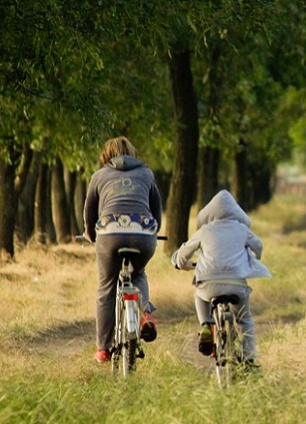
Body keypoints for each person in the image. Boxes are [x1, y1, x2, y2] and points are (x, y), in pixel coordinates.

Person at [83, 136, 162, 364]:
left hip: (109, 233)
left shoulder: (99, 176)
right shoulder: (147, 174)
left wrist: (91, 235)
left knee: (106, 287)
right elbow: (156, 209)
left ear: (107, 155)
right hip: (143, 233)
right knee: (138, 273)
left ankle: (103, 348)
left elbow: (90, 213)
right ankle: (145, 313)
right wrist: (153, 231)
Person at [171, 190, 271, 365]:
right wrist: (252, 257)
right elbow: (259, 248)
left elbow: (183, 255)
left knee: (200, 296)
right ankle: (249, 356)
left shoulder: (205, 230)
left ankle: (205, 325)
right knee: (244, 319)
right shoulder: (242, 229)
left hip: (209, 285)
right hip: (236, 283)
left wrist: (180, 263)